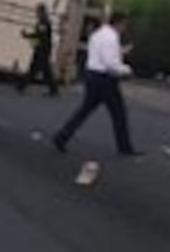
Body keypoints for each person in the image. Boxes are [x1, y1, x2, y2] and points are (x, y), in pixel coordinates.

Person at [52, 11, 139, 156]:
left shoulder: (98, 34)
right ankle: (125, 148)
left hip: (92, 75)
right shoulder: (111, 37)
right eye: (124, 25)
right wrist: (127, 70)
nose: (125, 28)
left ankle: (62, 137)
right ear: (119, 23)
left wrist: (121, 52)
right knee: (119, 113)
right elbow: (110, 63)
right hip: (105, 79)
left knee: (84, 111)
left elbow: (103, 55)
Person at [17, 3, 59, 96]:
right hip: (42, 49)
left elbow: (40, 36)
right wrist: (31, 40)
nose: (36, 13)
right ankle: (53, 89)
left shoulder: (44, 22)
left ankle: (21, 86)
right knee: (43, 71)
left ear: (41, 12)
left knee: (36, 69)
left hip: (42, 50)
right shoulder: (42, 22)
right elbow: (39, 36)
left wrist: (27, 36)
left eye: (38, 11)